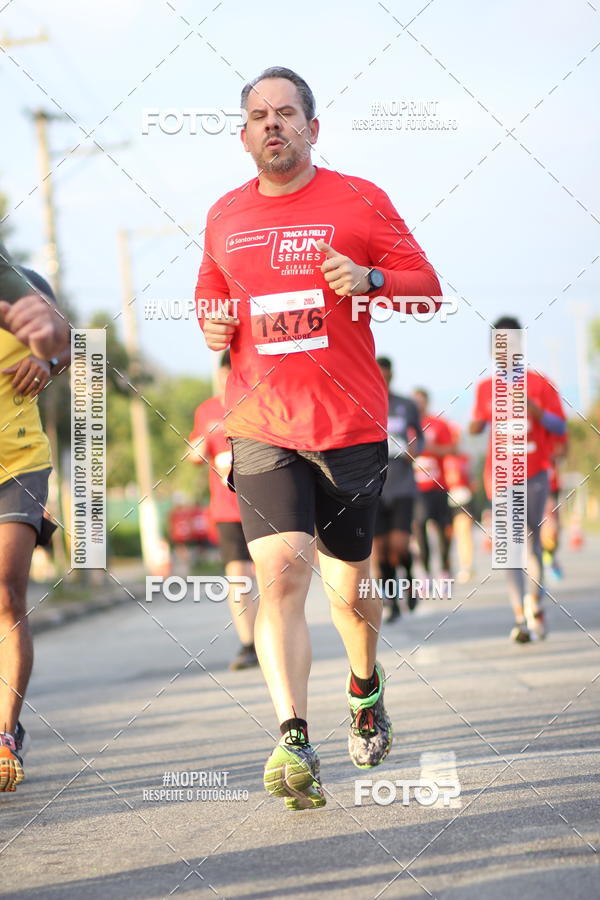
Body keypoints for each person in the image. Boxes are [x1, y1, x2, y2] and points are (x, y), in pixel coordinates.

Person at [195, 67, 442, 809]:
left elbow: (425, 283)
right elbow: (213, 289)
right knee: (281, 572)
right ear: (244, 135)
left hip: (347, 424)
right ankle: (293, 734)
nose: (274, 124)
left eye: (287, 113)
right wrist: (213, 322)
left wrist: (368, 278)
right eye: (259, 115)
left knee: (349, 589)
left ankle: (364, 687)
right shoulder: (223, 215)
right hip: (262, 424)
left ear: (312, 127)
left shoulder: (360, 199)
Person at [0, 246, 70, 792]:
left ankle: (3, 736)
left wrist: (46, 360)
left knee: (5, 592)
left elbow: (65, 340)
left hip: (18, 463)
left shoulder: (19, 283)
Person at [470, 316, 566, 643]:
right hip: (500, 477)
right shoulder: (485, 388)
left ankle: (535, 603)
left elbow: (561, 427)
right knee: (510, 549)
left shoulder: (540, 384)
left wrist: (537, 413)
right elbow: (478, 423)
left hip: (535, 472)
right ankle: (520, 617)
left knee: (531, 542)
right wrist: (474, 427)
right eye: (497, 345)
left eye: (509, 343)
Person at [189, 351, 258, 670]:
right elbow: (193, 451)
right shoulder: (206, 410)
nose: (224, 381)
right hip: (226, 508)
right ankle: (249, 644)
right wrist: (197, 450)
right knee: (238, 577)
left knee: (269, 577)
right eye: (222, 376)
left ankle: (272, 635)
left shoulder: (258, 400)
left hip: (262, 503)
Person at [372, 357, 423, 622]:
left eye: (385, 376)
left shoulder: (406, 405)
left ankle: (410, 578)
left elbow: (420, 437)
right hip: (373, 487)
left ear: (392, 376)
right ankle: (390, 600)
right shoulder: (362, 402)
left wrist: (415, 449)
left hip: (402, 484)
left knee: (399, 546)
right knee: (379, 551)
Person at [412, 388, 455, 584]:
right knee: (419, 527)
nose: (418, 405)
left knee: (443, 528)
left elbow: (452, 449)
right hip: (416, 488)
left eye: (422, 401)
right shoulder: (407, 426)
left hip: (438, 485)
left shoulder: (438, 424)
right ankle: (425, 571)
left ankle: (445, 568)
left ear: (427, 402)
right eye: (415, 401)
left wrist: (430, 449)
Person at [443, 424, 475, 583]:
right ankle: (445, 567)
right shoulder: (442, 457)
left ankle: (466, 566)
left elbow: (472, 481)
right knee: (446, 536)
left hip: (462, 498)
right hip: (445, 498)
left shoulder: (465, 458)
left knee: (463, 533)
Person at [541, 433, 568, 580]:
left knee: (556, 528)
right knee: (547, 524)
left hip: (553, 486)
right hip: (534, 486)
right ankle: (541, 565)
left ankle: (549, 556)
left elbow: (564, 450)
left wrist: (553, 452)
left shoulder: (552, 426)